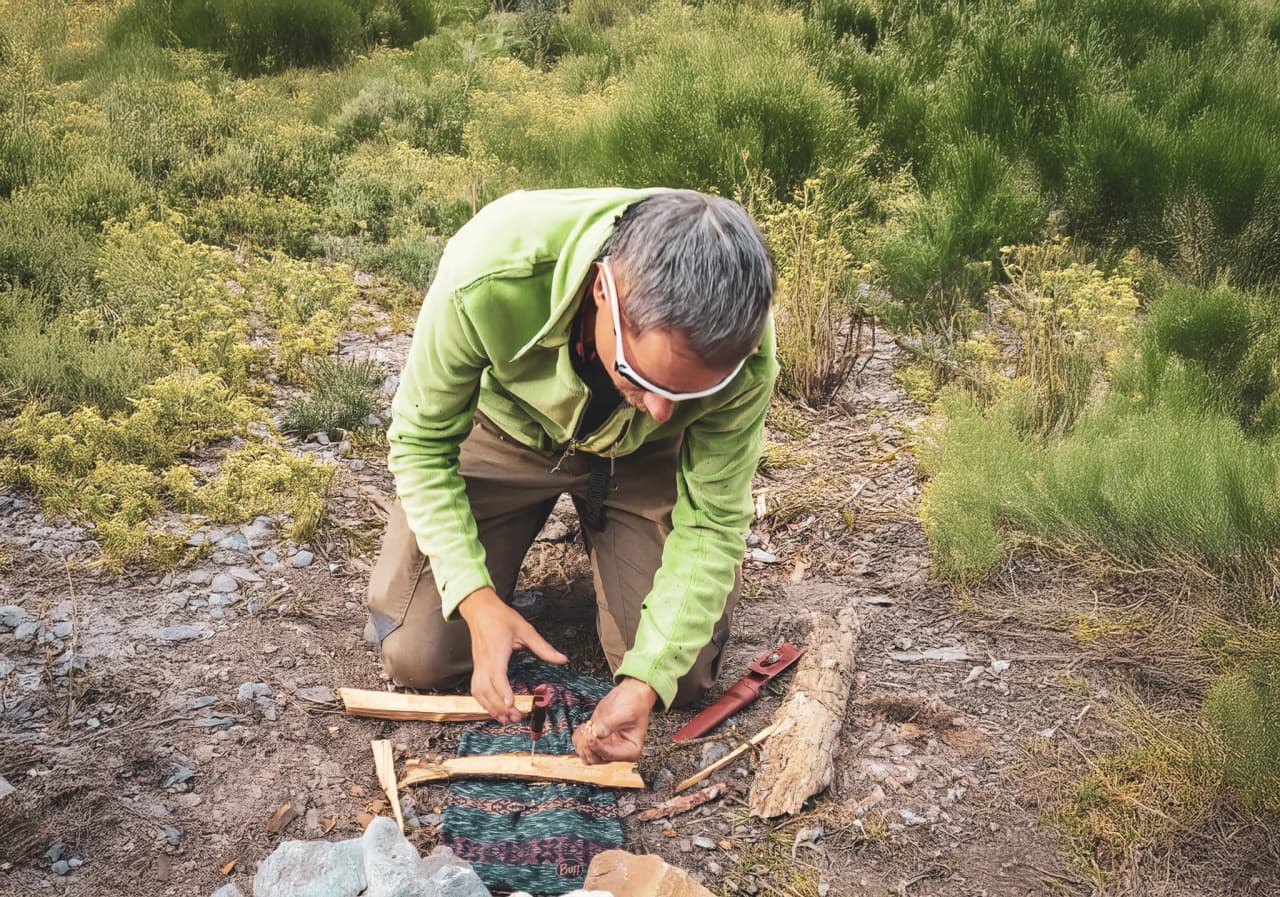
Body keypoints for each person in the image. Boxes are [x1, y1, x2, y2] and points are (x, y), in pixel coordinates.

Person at [366, 187, 777, 765]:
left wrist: (644, 679)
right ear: (603, 291)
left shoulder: (741, 345)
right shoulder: (488, 268)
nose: (663, 410)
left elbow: (712, 522)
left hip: (642, 457)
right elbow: (420, 443)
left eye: (688, 395)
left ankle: (615, 546)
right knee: (419, 656)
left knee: (678, 680)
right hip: (505, 430)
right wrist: (476, 600)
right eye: (642, 376)